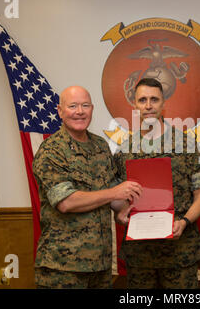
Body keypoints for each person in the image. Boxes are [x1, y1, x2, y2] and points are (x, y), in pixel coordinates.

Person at [32, 86, 142, 289]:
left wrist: (124, 210)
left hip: (100, 266)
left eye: (85, 105)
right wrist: (115, 192)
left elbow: (111, 192)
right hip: (63, 268)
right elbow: (66, 202)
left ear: (92, 109)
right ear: (60, 111)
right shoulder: (51, 151)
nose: (80, 111)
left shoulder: (100, 146)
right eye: (73, 106)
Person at [113, 78, 200, 289]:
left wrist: (184, 221)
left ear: (163, 102)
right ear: (134, 105)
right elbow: (118, 197)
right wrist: (120, 214)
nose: (148, 105)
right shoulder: (125, 149)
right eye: (143, 100)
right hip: (140, 255)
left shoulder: (187, 143)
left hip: (179, 251)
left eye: (154, 99)